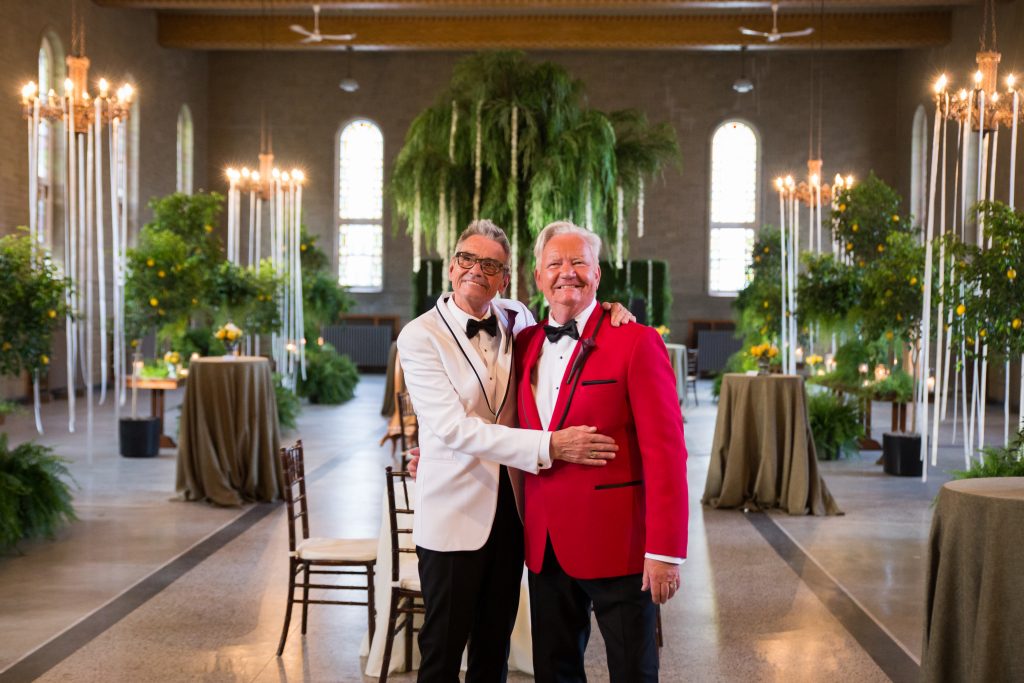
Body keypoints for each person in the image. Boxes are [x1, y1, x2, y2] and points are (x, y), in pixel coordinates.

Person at [396, 219, 632, 683]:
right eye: (467, 259)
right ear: (451, 267)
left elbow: (568, 313)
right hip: (452, 516)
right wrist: (551, 445)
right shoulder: (419, 336)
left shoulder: (517, 318)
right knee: (441, 653)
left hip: (513, 515)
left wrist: (607, 308)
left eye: (491, 265)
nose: (476, 271)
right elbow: (453, 429)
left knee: (493, 648)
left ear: (506, 278)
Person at [514, 220, 689, 683]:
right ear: (538, 277)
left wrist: (666, 551)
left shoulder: (636, 341)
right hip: (546, 545)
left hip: (621, 544)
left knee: (633, 671)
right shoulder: (524, 344)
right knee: (554, 671)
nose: (566, 272)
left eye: (578, 263)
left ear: (597, 275)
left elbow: (667, 453)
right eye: (555, 263)